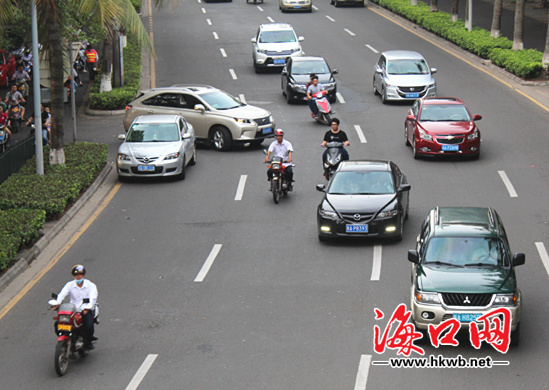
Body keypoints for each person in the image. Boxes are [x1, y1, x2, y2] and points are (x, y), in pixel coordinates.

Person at [53, 265, 98, 350]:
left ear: (83, 275)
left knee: (89, 326)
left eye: (80, 274)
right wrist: (57, 303)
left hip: (84, 310)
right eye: (76, 275)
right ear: (73, 276)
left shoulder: (90, 285)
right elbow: (62, 295)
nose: (78, 276)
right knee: (57, 324)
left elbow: (93, 297)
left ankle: (88, 342)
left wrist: (87, 308)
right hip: (72, 310)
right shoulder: (69, 285)